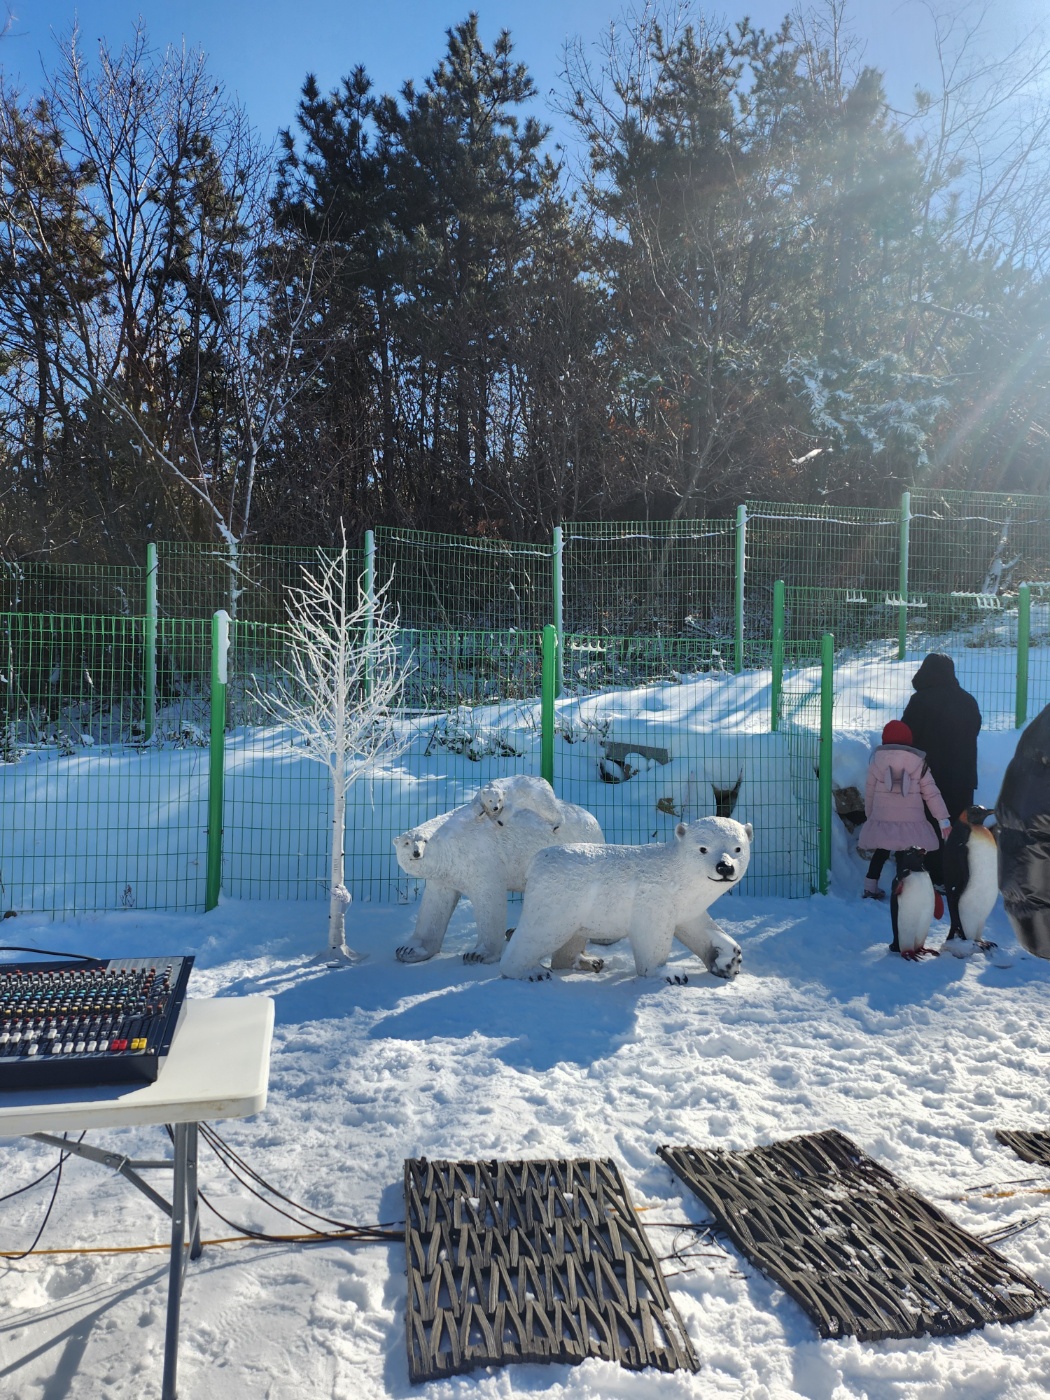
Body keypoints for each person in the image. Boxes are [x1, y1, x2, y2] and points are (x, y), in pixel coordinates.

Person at [858, 721, 952, 926]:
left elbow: (870, 791)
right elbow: (931, 793)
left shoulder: (876, 762)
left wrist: (870, 815)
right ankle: (902, 889)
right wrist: (942, 818)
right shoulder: (919, 763)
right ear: (908, 740)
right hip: (910, 822)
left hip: (883, 820)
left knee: (881, 852)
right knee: (905, 855)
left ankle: (870, 887)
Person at [902, 653, 982, 887]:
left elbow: (907, 735)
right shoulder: (968, 700)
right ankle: (957, 876)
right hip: (963, 778)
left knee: (931, 826)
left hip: (930, 777)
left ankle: (935, 876)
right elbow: (975, 729)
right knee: (959, 829)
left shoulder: (920, 701)